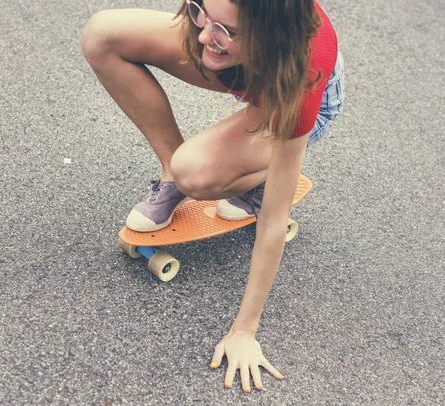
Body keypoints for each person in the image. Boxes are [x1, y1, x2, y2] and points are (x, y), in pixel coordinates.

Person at [81, 0, 344, 393]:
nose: (203, 35)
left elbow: (274, 221)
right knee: (102, 35)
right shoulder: (211, 29)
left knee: (197, 173)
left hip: (285, 87)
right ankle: (174, 175)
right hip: (246, 63)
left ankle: (255, 179)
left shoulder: (302, 79)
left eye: (224, 29)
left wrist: (245, 332)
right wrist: (216, 26)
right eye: (199, 11)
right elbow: (210, 32)